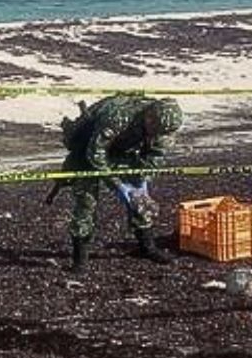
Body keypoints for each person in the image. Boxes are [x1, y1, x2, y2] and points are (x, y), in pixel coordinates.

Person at [51, 94, 184, 273]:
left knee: (140, 200)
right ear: (149, 116)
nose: (155, 131)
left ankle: (147, 247)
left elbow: (156, 155)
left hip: (122, 151)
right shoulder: (119, 116)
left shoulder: (163, 127)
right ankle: (80, 259)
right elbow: (95, 154)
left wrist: (142, 178)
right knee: (86, 203)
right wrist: (118, 186)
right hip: (87, 151)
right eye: (153, 126)